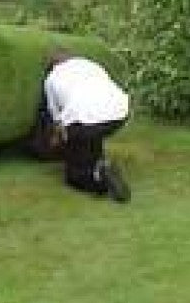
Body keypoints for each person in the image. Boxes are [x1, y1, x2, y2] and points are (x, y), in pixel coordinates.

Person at [43, 50, 131, 202]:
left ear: (52, 66)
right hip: (119, 114)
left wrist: (56, 139)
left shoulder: (51, 79)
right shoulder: (91, 64)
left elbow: (57, 120)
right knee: (91, 131)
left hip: (85, 122)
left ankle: (100, 179)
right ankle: (100, 163)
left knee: (74, 177)